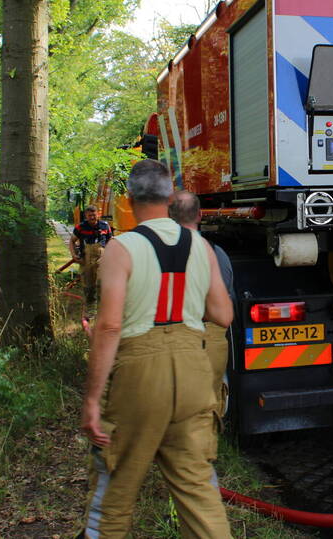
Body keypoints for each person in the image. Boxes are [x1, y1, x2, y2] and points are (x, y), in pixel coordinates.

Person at [79, 160, 233, 539]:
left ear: (130, 200)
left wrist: (93, 400)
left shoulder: (121, 247)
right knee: (198, 487)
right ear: (169, 196)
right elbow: (223, 315)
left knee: (114, 490)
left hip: (140, 374)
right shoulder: (201, 246)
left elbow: (110, 326)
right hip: (194, 373)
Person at [169, 190, 234, 424]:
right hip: (212, 337)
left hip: (177, 336)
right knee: (210, 405)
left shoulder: (160, 254)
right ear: (199, 215)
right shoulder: (218, 254)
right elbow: (226, 303)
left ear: (170, 217)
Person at [69, 206, 113, 305]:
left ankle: (102, 305)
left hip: (102, 258)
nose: (92, 217)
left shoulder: (105, 226)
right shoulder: (80, 227)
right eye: (90, 215)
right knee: (88, 283)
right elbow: (72, 241)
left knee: (102, 281)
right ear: (86, 216)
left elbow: (110, 241)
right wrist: (73, 254)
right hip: (86, 259)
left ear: (98, 214)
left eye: (94, 215)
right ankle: (89, 305)